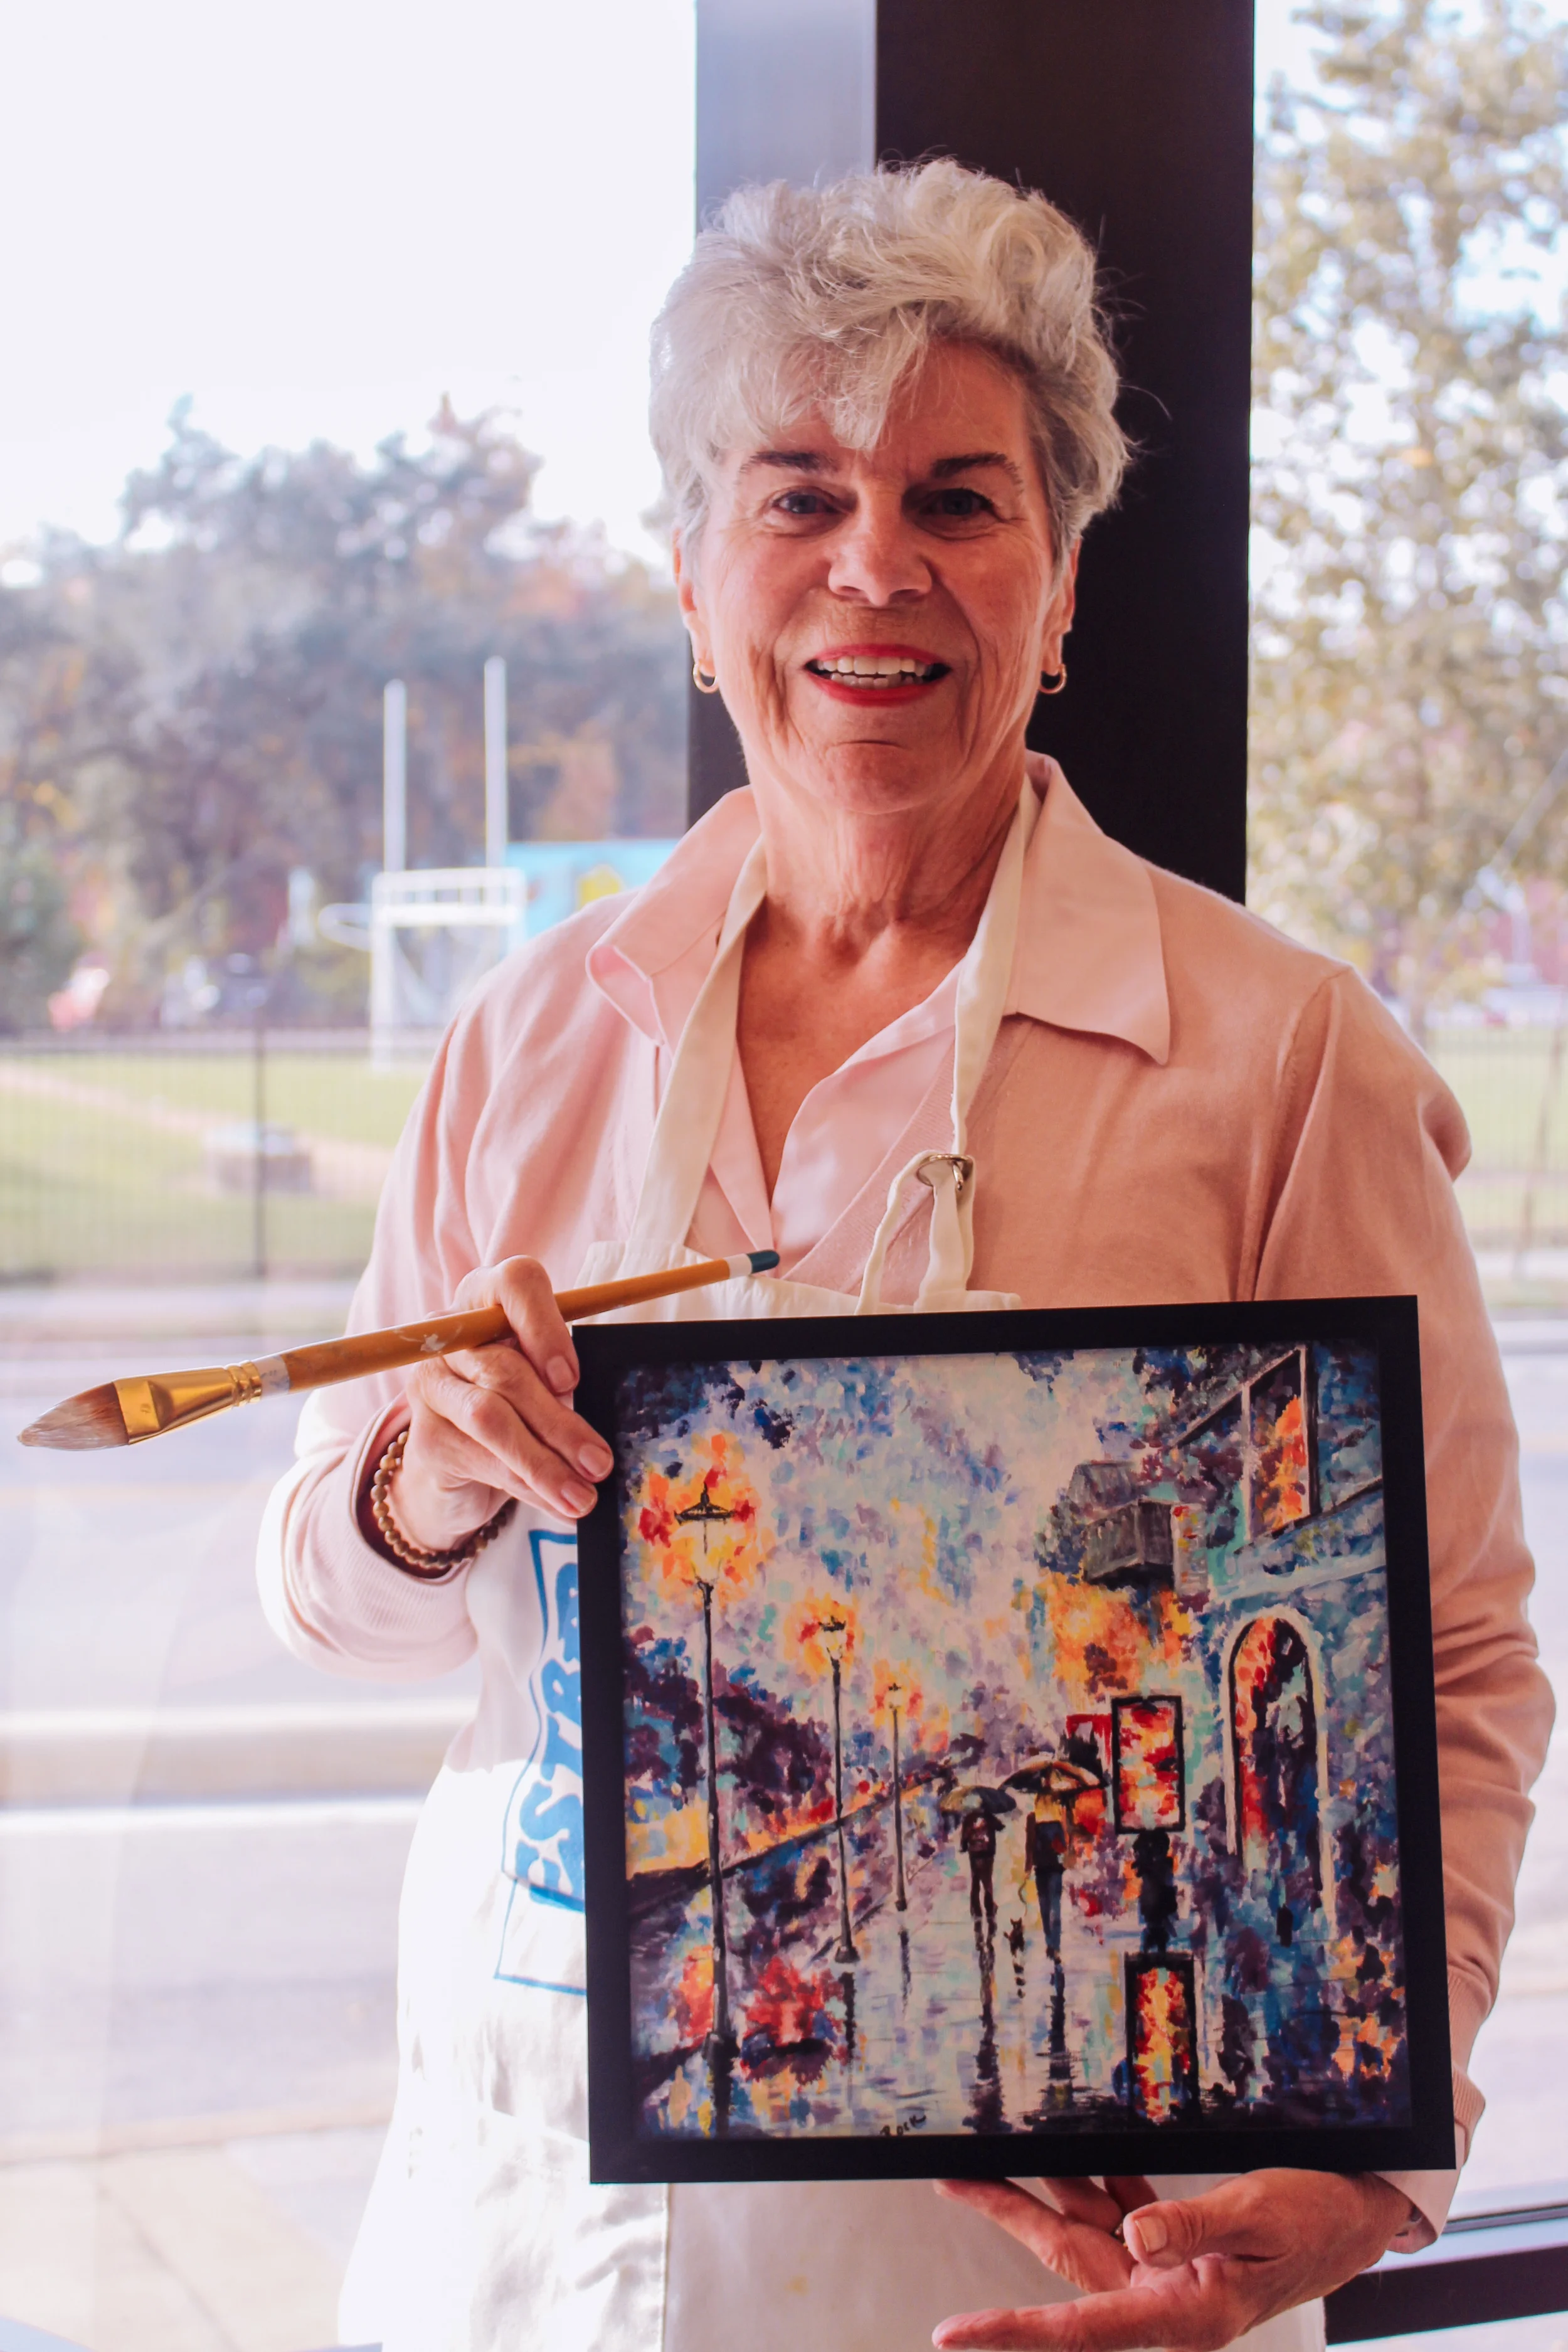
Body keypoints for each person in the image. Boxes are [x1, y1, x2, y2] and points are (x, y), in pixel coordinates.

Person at [257, 162, 1552, 2352]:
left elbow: (1450, 1659)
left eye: (958, 500)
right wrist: (419, 1478)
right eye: (798, 496)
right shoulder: (533, 1033)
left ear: (1057, 589)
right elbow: (331, 1592)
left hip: (1020, 2269)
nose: (876, 564)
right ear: (695, 583)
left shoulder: (1279, 1060)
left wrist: (1364, 2164)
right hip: (515, 2240)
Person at [961, 1801, 999, 1920]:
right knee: (987, 1882)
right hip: (988, 1854)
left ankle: (976, 1910)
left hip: (974, 1854)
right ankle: (989, 1909)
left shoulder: (969, 1818)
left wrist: (965, 1846)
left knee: (975, 1881)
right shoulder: (989, 1816)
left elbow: (964, 1840)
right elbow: (1000, 1826)